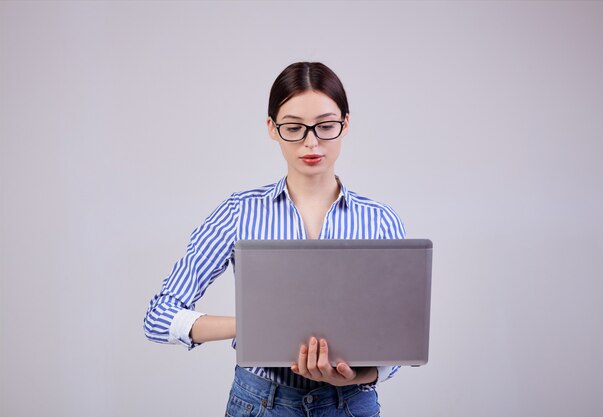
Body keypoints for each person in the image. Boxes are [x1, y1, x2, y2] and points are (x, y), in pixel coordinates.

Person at [144, 62, 406, 416]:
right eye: (294, 128)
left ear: (345, 124)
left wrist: (363, 374)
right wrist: (254, 326)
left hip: (350, 403)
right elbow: (160, 316)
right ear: (272, 128)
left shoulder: (380, 221)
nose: (311, 142)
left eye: (326, 126)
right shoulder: (239, 211)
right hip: (262, 403)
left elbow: (400, 339)